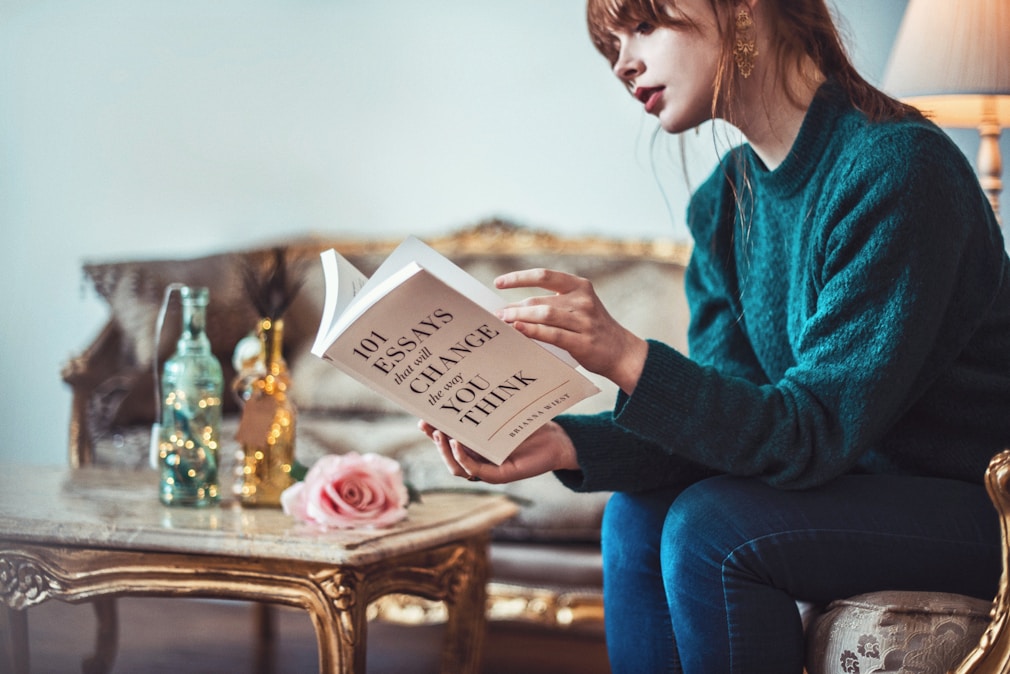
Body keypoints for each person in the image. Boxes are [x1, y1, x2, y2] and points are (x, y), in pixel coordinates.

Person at [420, 0, 1010, 671]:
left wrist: (625, 355)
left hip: (981, 506)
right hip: (851, 487)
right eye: (610, 45)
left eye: (643, 26)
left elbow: (811, 431)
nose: (623, 64)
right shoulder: (724, 204)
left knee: (712, 528)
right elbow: (729, 424)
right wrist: (562, 441)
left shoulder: (900, 169)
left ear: (743, 11)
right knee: (636, 518)